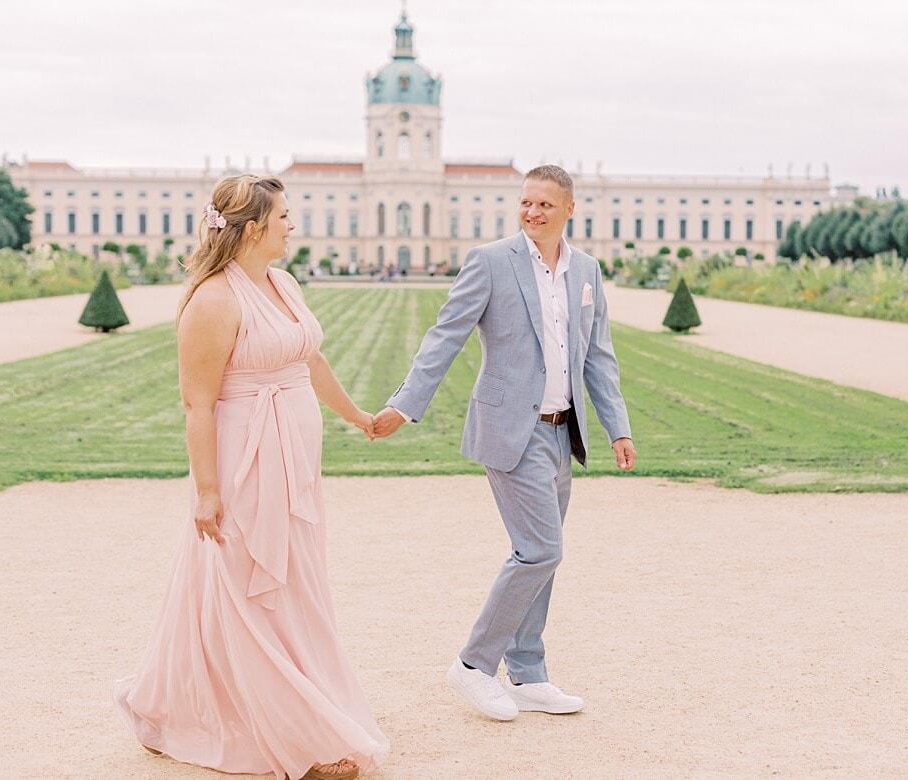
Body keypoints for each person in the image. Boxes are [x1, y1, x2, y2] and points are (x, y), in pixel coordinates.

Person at [114, 174, 389, 780]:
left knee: (293, 584)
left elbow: (308, 358)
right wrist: (208, 491)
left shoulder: (283, 283)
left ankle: (277, 712)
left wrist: (359, 418)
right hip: (244, 463)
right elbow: (199, 405)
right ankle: (295, 740)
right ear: (253, 227)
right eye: (284, 216)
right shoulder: (213, 299)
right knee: (251, 591)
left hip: (294, 464)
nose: (293, 224)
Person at [372, 164, 637, 721]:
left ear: (569, 209)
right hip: (510, 430)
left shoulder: (586, 270)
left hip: (564, 432)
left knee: (542, 558)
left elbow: (597, 355)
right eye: (525, 203)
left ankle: (528, 672)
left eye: (544, 204)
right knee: (541, 549)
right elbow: (445, 335)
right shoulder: (491, 262)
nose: (532, 212)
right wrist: (404, 403)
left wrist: (618, 426)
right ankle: (473, 665)